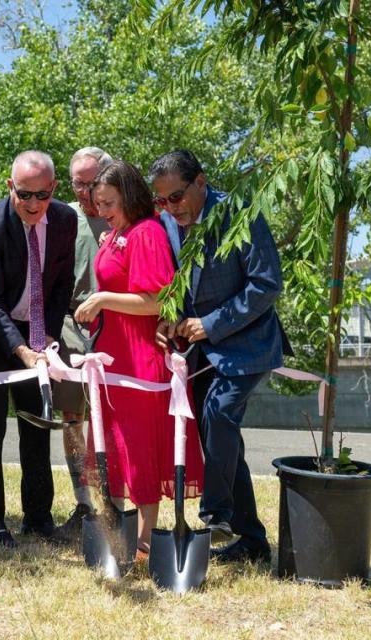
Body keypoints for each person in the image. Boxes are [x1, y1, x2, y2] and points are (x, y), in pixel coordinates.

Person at [151, 149, 287, 564]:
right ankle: (252, 541)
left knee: (219, 413)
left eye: (176, 197)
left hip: (247, 343)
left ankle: (216, 513)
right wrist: (168, 319)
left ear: (200, 183)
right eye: (161, 201)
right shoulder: (165, 223)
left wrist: (211, 324)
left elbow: (267, 284)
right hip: (200, 351)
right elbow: (176, 286)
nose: (170, 208)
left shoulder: (240, 213)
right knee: (220, 439)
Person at [73, 160, 205, 560]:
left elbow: (158, 301)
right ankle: (119, 529)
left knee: (141, 446)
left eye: (109, 202)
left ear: (129, 196)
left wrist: (101, 300)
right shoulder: (115, 235)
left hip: (140, 358)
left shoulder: (147, 233)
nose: (103, 211)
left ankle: (146, 538)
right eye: (97, 204)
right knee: (115, 447)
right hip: (114, 354)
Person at [0, 150, 77, 547]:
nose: (33, 204)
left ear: (53, 190)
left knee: (36, 422)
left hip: (37, 331)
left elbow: (61, 285)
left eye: (41, 196)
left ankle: (38, 517)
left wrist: (44, 341)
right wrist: (22, 350)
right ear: (10, 187)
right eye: (24, 194)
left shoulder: (65, 220)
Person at [52, 146, 112, 537]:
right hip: (70, 325)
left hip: (115, 326)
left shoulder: (124, 217)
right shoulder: (61, 218)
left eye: (93, 183)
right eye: (79, 184)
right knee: (72, 420)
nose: (86, 192)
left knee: (110, 418)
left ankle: (114, 502)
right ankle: (84, 504)